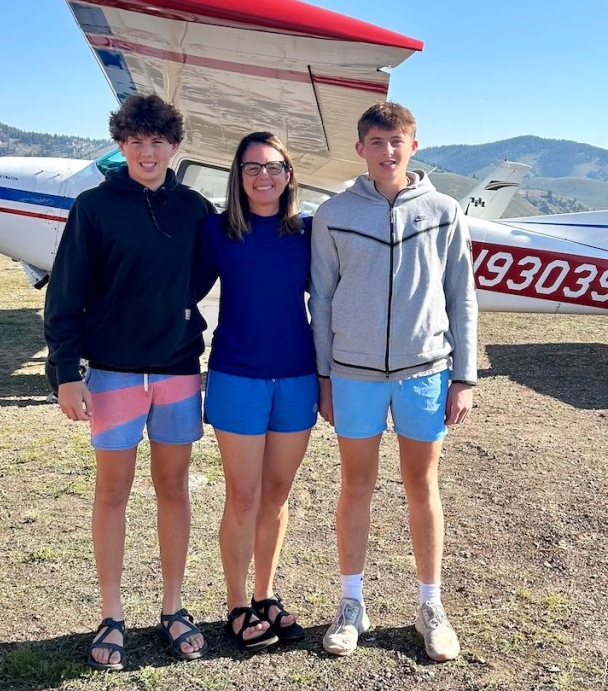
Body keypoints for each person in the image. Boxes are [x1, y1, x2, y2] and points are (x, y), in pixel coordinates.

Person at [44, 94, 215, 669]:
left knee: (174, 489)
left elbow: (205, 275)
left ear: (175, 146)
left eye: (158, 140)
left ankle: (172, 608)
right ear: (121, 145)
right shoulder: (93, 207)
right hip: (114, 373)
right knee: (112, 492)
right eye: (135, 140)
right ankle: (112, 613)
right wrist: (67, 373)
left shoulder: (194, 209)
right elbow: (64, 293)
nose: (147, 150)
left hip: (177, 371)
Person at [309, 101, 477, 662]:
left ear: (414, 145)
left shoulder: (446, 210)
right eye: (376, 141)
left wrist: (464, 376)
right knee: (355, 486)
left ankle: (431, 605)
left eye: (397, 140)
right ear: (360, 149)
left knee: (421, 487)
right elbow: (323, 301)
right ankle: (351, 604)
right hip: (354, 375)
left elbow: (462, 297)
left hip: (425, 372)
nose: (387, 151)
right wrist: (324, 377)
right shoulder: (333, 213)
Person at [196, 132, 316, 651]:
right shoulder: (217, 232)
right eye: (252, 168)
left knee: (277, 494)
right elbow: (177, 290)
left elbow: (341, 294)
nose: (263, 176)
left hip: (297, 376)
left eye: (273, 167)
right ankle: (237, 604)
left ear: (289, 174)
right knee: (243, 496)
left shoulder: (309, 233)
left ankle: (266, 595)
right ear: (237, 176)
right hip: (237, 377)